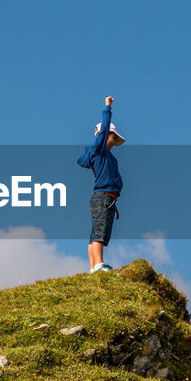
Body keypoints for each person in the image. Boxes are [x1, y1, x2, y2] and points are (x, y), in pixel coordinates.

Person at [77, 95, 124, 273]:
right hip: (103, 196)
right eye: (113, 136)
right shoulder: (99, 150)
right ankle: (98, 265)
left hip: (107, 197)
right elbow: (103, 130)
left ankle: (93, 267)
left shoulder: (108, 156)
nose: (114, 140)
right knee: (100, 231)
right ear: (106, 135)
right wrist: (108, 107)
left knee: (97, 231)